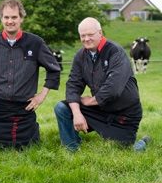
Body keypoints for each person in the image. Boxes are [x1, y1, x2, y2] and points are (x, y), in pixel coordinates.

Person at [0, 0, 61, 149]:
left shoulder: (35, 43)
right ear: (1, 18)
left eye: (14, 17)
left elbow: (54, 70)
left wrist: (41, 96)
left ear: (21, 18)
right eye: (6, 17)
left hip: (24, 111)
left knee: (30, 148)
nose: (10, 21)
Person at [54, 17, 142, 152]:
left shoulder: (115, 52)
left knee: (122, 149)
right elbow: (73, 84)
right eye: (83, 35)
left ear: (100, 33)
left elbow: (113, 89)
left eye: (90, 34)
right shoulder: (80, 56)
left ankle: (142, 142)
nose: (86, 39)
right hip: (101, 108)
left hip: (124, 113)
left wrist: (90, 101)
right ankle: (71, 148)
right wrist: (77, 113)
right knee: (62, 108)